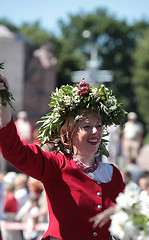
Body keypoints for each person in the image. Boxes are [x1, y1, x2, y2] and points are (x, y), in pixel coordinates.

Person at [0, 77, 126, 240]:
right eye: (87, 126)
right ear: (70, 132)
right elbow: (13, 151)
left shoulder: (113, 175)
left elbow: (127, 221)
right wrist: (3, 103)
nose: (95, 131)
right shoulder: (56, 165)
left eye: (99, 125)